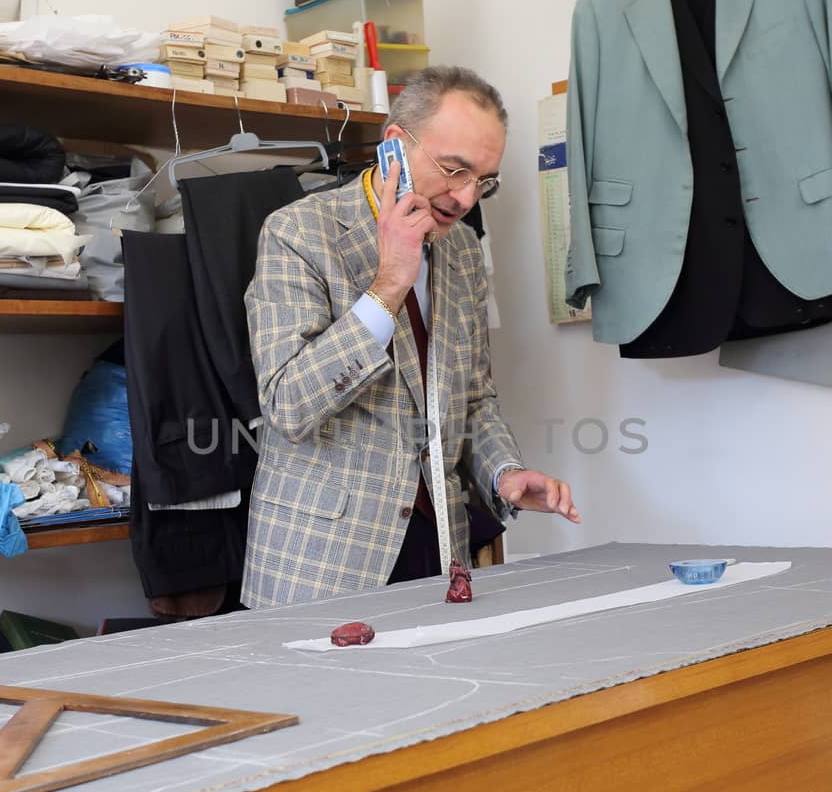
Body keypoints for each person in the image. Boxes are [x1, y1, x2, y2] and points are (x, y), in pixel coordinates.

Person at [241, 65, 579, 608]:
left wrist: (505, 473)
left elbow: (473, 397)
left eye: (484, 181)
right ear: (395, 146)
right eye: (455, 170)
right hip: (322, 560)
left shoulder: (464, 250)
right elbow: (288, 405)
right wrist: (389, 284)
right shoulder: (298, 232)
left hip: (439, 549)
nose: (466, 198)